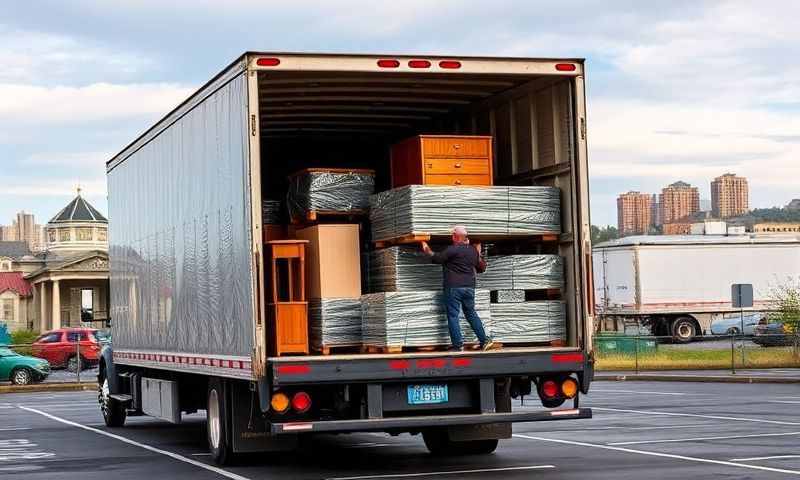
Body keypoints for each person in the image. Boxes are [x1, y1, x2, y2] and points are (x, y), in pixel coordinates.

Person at [420, 225, 497, 351]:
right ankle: (485, 341)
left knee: (453, 316)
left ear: (455, 237)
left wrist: (426, 248)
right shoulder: (473, 251)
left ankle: (458, 345)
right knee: (471, 313)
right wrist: (478, 252)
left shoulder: (452, 250)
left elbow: (436, 258)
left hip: (454, 287)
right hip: (469, 288)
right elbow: (481, 268)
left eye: (452, 235)